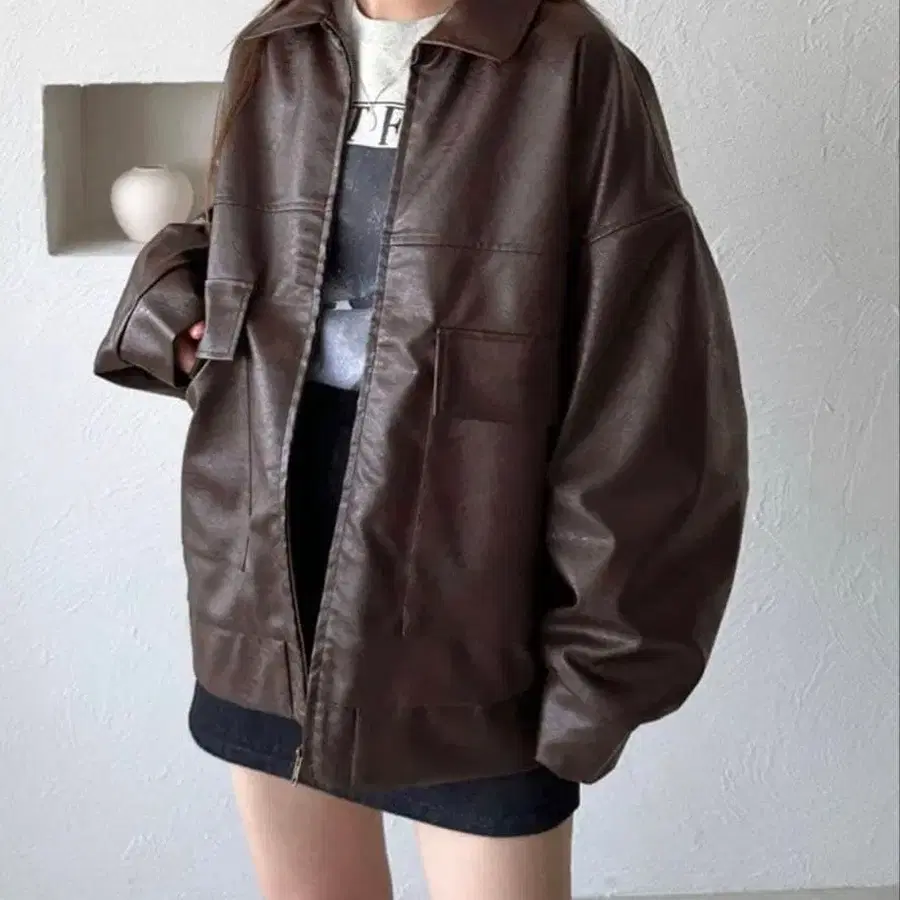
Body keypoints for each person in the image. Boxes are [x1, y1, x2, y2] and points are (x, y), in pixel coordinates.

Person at [93, 0, 749, 895]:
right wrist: (174, 316)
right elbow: (247, 234)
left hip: (471, 580)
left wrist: (597, 678)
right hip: (262, 572)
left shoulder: (570, 64)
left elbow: (647, 384)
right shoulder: (279, 44)